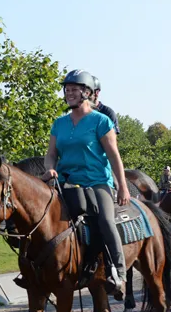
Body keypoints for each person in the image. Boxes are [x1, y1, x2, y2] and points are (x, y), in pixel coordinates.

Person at [41, 69, 130, 297]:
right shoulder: (59, 123)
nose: (69, 93)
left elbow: (114, 156)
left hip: (96, 182)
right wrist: (49, 167)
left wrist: (122, 186)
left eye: (74, 89)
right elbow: (51, 153)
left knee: (105, 220)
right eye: (67, 89)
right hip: (65, 182)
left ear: (87, 92)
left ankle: (118, 273)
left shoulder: (101, 121)